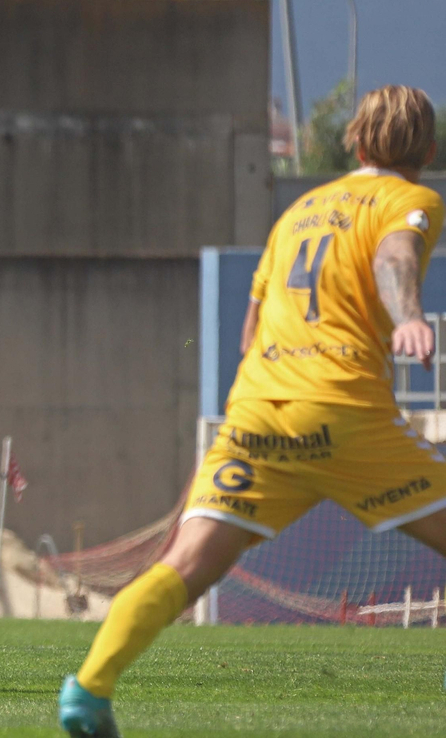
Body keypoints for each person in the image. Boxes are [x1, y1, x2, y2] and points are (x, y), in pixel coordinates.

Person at [58, 86, 446, 736]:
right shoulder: (413, 199)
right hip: (343, 410)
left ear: (353, 142)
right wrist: (408, 316)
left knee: (181, 566)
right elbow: (394, 256)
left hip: (258, 413)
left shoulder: (298, 212)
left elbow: (249, 331)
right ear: (430, 151)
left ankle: (88, 690)